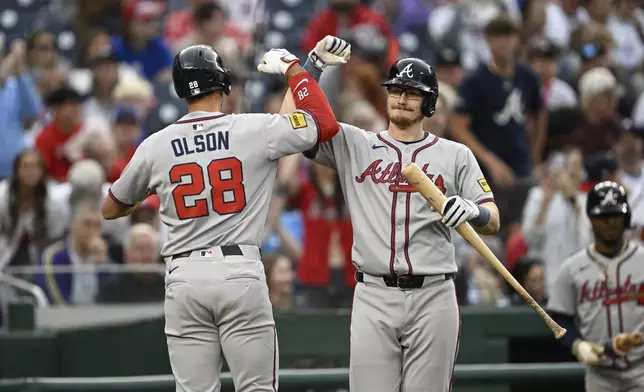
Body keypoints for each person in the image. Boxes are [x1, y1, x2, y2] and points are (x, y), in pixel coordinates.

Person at [101, 38, 349, 392]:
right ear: (222, 83)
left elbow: (111, 207)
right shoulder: (253, 128)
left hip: (183, 276)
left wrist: (148, 190)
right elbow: (320, 123)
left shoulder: (155, 144)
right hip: (238, 271)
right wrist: (302, 69)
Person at [279, 49, 500, 391]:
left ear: (429, 103)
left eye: (413, 93)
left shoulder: (457, 154)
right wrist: (311, 66)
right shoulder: (356, 143)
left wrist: (475, 211)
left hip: (434, 293)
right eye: (396, 90)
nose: (402, 98)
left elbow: (493, 219)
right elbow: (295, 127)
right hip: (373, 292)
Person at [548, 181, 644, 391]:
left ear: (626, 218)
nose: (610, 223)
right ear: (591, 218)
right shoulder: (572, 268)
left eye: (616, 216)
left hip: (641, 369)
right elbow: (559, 316)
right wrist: (576, 344)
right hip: (599, 374)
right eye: (603, 217)